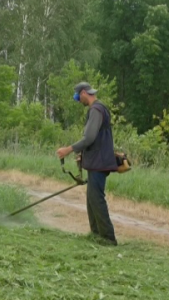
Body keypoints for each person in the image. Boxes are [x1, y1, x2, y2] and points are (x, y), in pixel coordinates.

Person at [56, 82, 118, 246]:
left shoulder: (96, 110)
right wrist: (83, 156)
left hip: (100, 162)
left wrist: (69, 149)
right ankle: (96, 234)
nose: (77, 101)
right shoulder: (98, 109)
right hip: (96, 160)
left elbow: (89, 138)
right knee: (91, 198)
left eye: (77, 97)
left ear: (84, 93)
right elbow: (95, 140)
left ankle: (108, 238)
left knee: (96, 199)